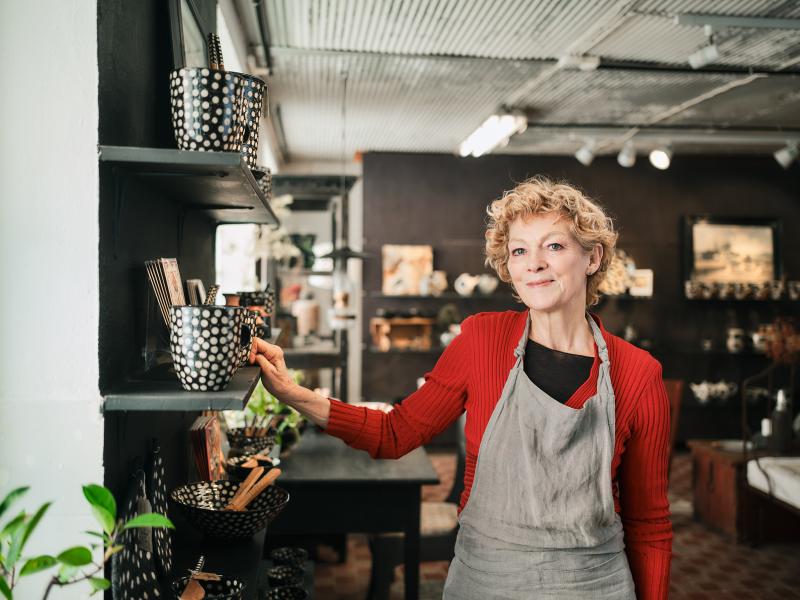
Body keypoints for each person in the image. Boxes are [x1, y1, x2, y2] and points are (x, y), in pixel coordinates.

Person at [250, 176, 672, 599]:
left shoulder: (638, 374)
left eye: (554, 246)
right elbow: (395, 433)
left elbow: (648, 524)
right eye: (520, 250)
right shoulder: (480, 341)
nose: (534, 263)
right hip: (486, 581)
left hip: (593, 586)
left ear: (593, 257)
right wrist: (292, 393)